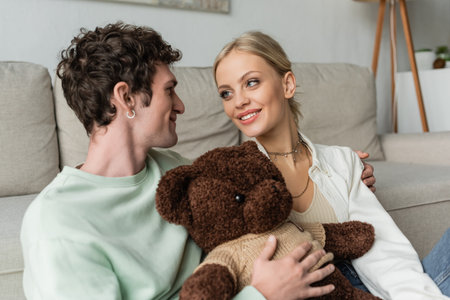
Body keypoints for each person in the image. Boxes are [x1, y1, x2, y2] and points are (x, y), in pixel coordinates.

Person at [21, 22, 351, 300]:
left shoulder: (174, 169)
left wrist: (336, 171)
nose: (180, 106)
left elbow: (243, 194)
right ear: (126, 98)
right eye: (169, 90)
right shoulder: (57, 224)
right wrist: (261, 295)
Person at [213, 31, 450, 300]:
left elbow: (384, 254)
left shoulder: (342, 162)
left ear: (288, 84)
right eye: (226, 93)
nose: (238, 101)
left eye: (251, 82)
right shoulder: (230, 180)